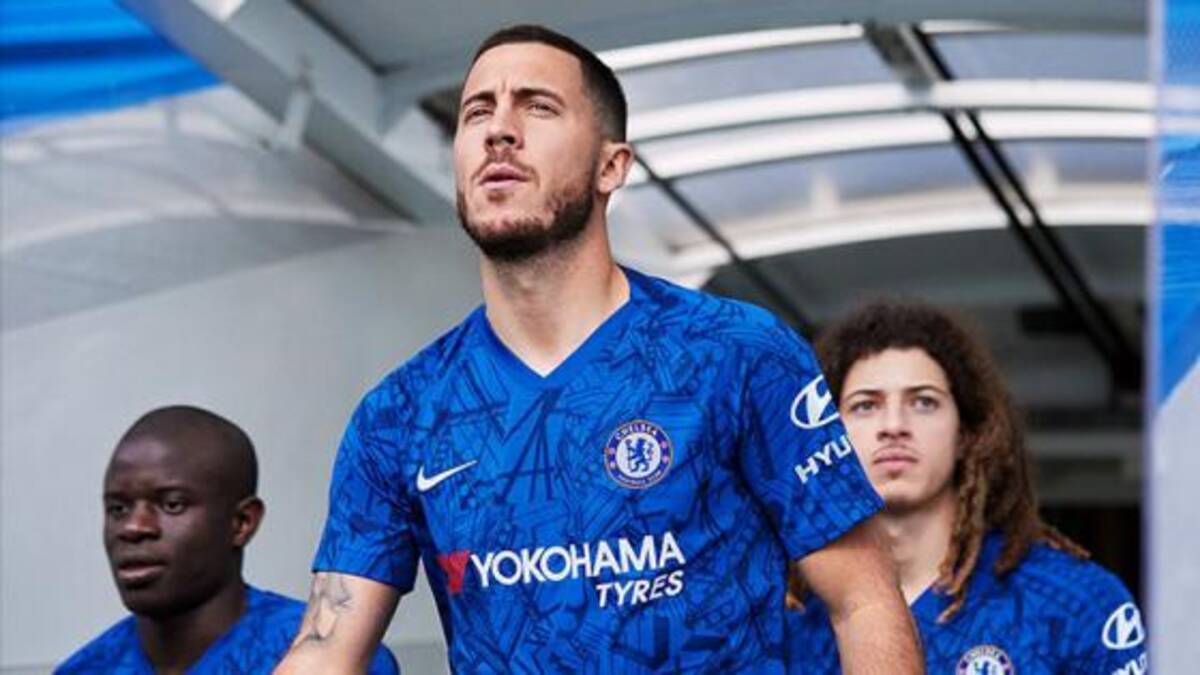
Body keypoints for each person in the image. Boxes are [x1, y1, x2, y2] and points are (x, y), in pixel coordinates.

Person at [275, 24, 921, 674]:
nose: (499, 131)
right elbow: (327, 650)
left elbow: (863, 600)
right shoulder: (399, 413)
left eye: (538, 107)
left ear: (612, 166)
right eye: (477, 112)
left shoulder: (738, 354)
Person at [785, 301, 1148, 674]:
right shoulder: (786, 625)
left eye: (924, 402)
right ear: (829, 439)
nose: (893, 425)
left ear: (967, 434)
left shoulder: (1074, 602)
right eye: (865, 405)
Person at [57, 405, 399, 674]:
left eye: (172, 504)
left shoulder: (332, 658)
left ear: (242, 522)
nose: (133, 527)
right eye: (118, 508)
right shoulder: (84, 670)